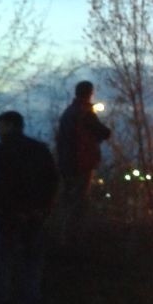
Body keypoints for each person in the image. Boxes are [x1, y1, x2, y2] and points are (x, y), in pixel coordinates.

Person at [0, 110, 59, 304]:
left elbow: (0, 187)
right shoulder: (40, 149)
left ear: (10, 126)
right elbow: (52, 181)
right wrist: (43, 209)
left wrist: (10, 211)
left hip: (10, 217)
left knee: (2, 261)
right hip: (36, 216)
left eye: (0, 125)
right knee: (32, 262)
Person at [56, 80, 111, 245]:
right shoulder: (85, 113)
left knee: (70, 201)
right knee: (79, 203)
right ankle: (73, 241)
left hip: (66, 163)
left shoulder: (68, 112)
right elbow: (104, 132)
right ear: (90, 93)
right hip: (81, 163)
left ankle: (64, 238)